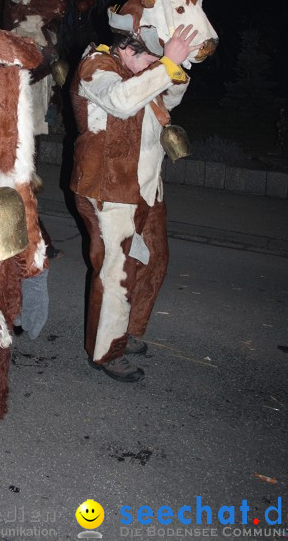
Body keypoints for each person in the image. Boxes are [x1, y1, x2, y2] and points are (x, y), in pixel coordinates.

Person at [70, 24, 199, 382]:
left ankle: (128, 330)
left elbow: (169, 99)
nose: (154, 60)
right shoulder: (96, 65)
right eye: (147, 54)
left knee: (154, 260)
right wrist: (165, 65)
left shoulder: (139, 73)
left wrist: (175, 67)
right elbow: (120, 102)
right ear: (125, 50)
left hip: (145, 189)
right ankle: (106, 351)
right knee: (117, 270)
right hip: (108, 189)